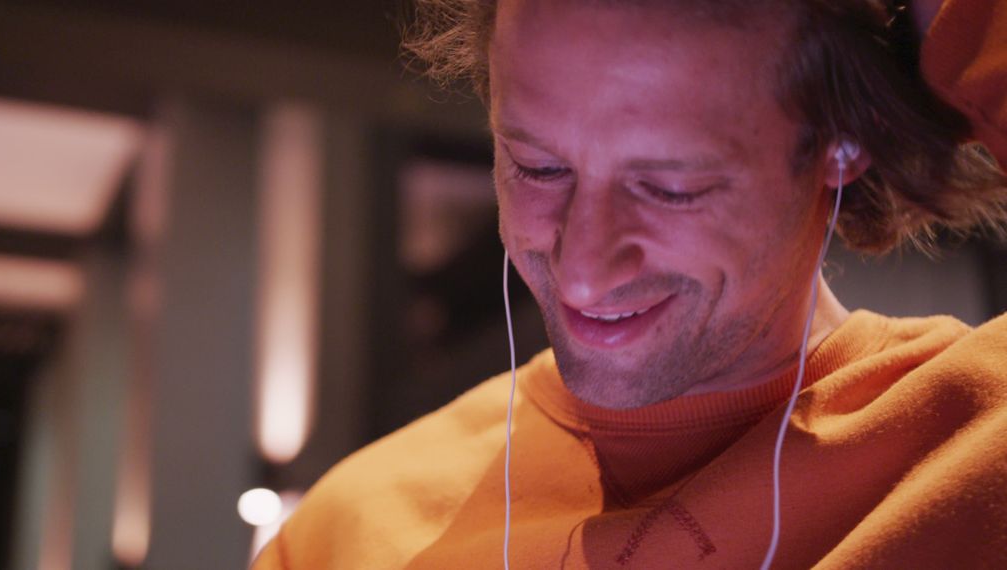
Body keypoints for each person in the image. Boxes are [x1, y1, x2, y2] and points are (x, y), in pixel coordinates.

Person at [254, 0, 1007, 567]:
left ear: (844, 143)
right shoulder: (344, 531)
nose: (583, 267)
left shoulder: (978, 440)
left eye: (670, 187)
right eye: (538, 169)